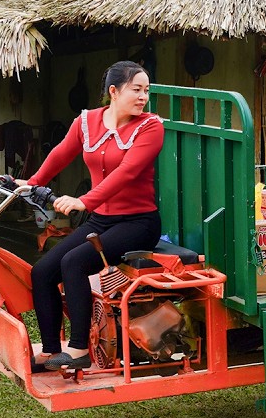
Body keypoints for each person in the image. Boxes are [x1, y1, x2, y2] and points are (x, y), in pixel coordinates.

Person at [20, 61, 164, 371]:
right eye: (136, 90)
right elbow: (61, 153)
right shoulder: (87, 121)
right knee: (43, 271)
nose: (143, 97)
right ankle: (49, 351)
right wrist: (32, 183)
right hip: (102, 220)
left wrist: (84, 201)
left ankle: (78, 350)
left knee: (74, 262)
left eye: (146, 91)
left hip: (138, 222)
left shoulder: (151, 126)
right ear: (114, 91)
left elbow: (126, 173)